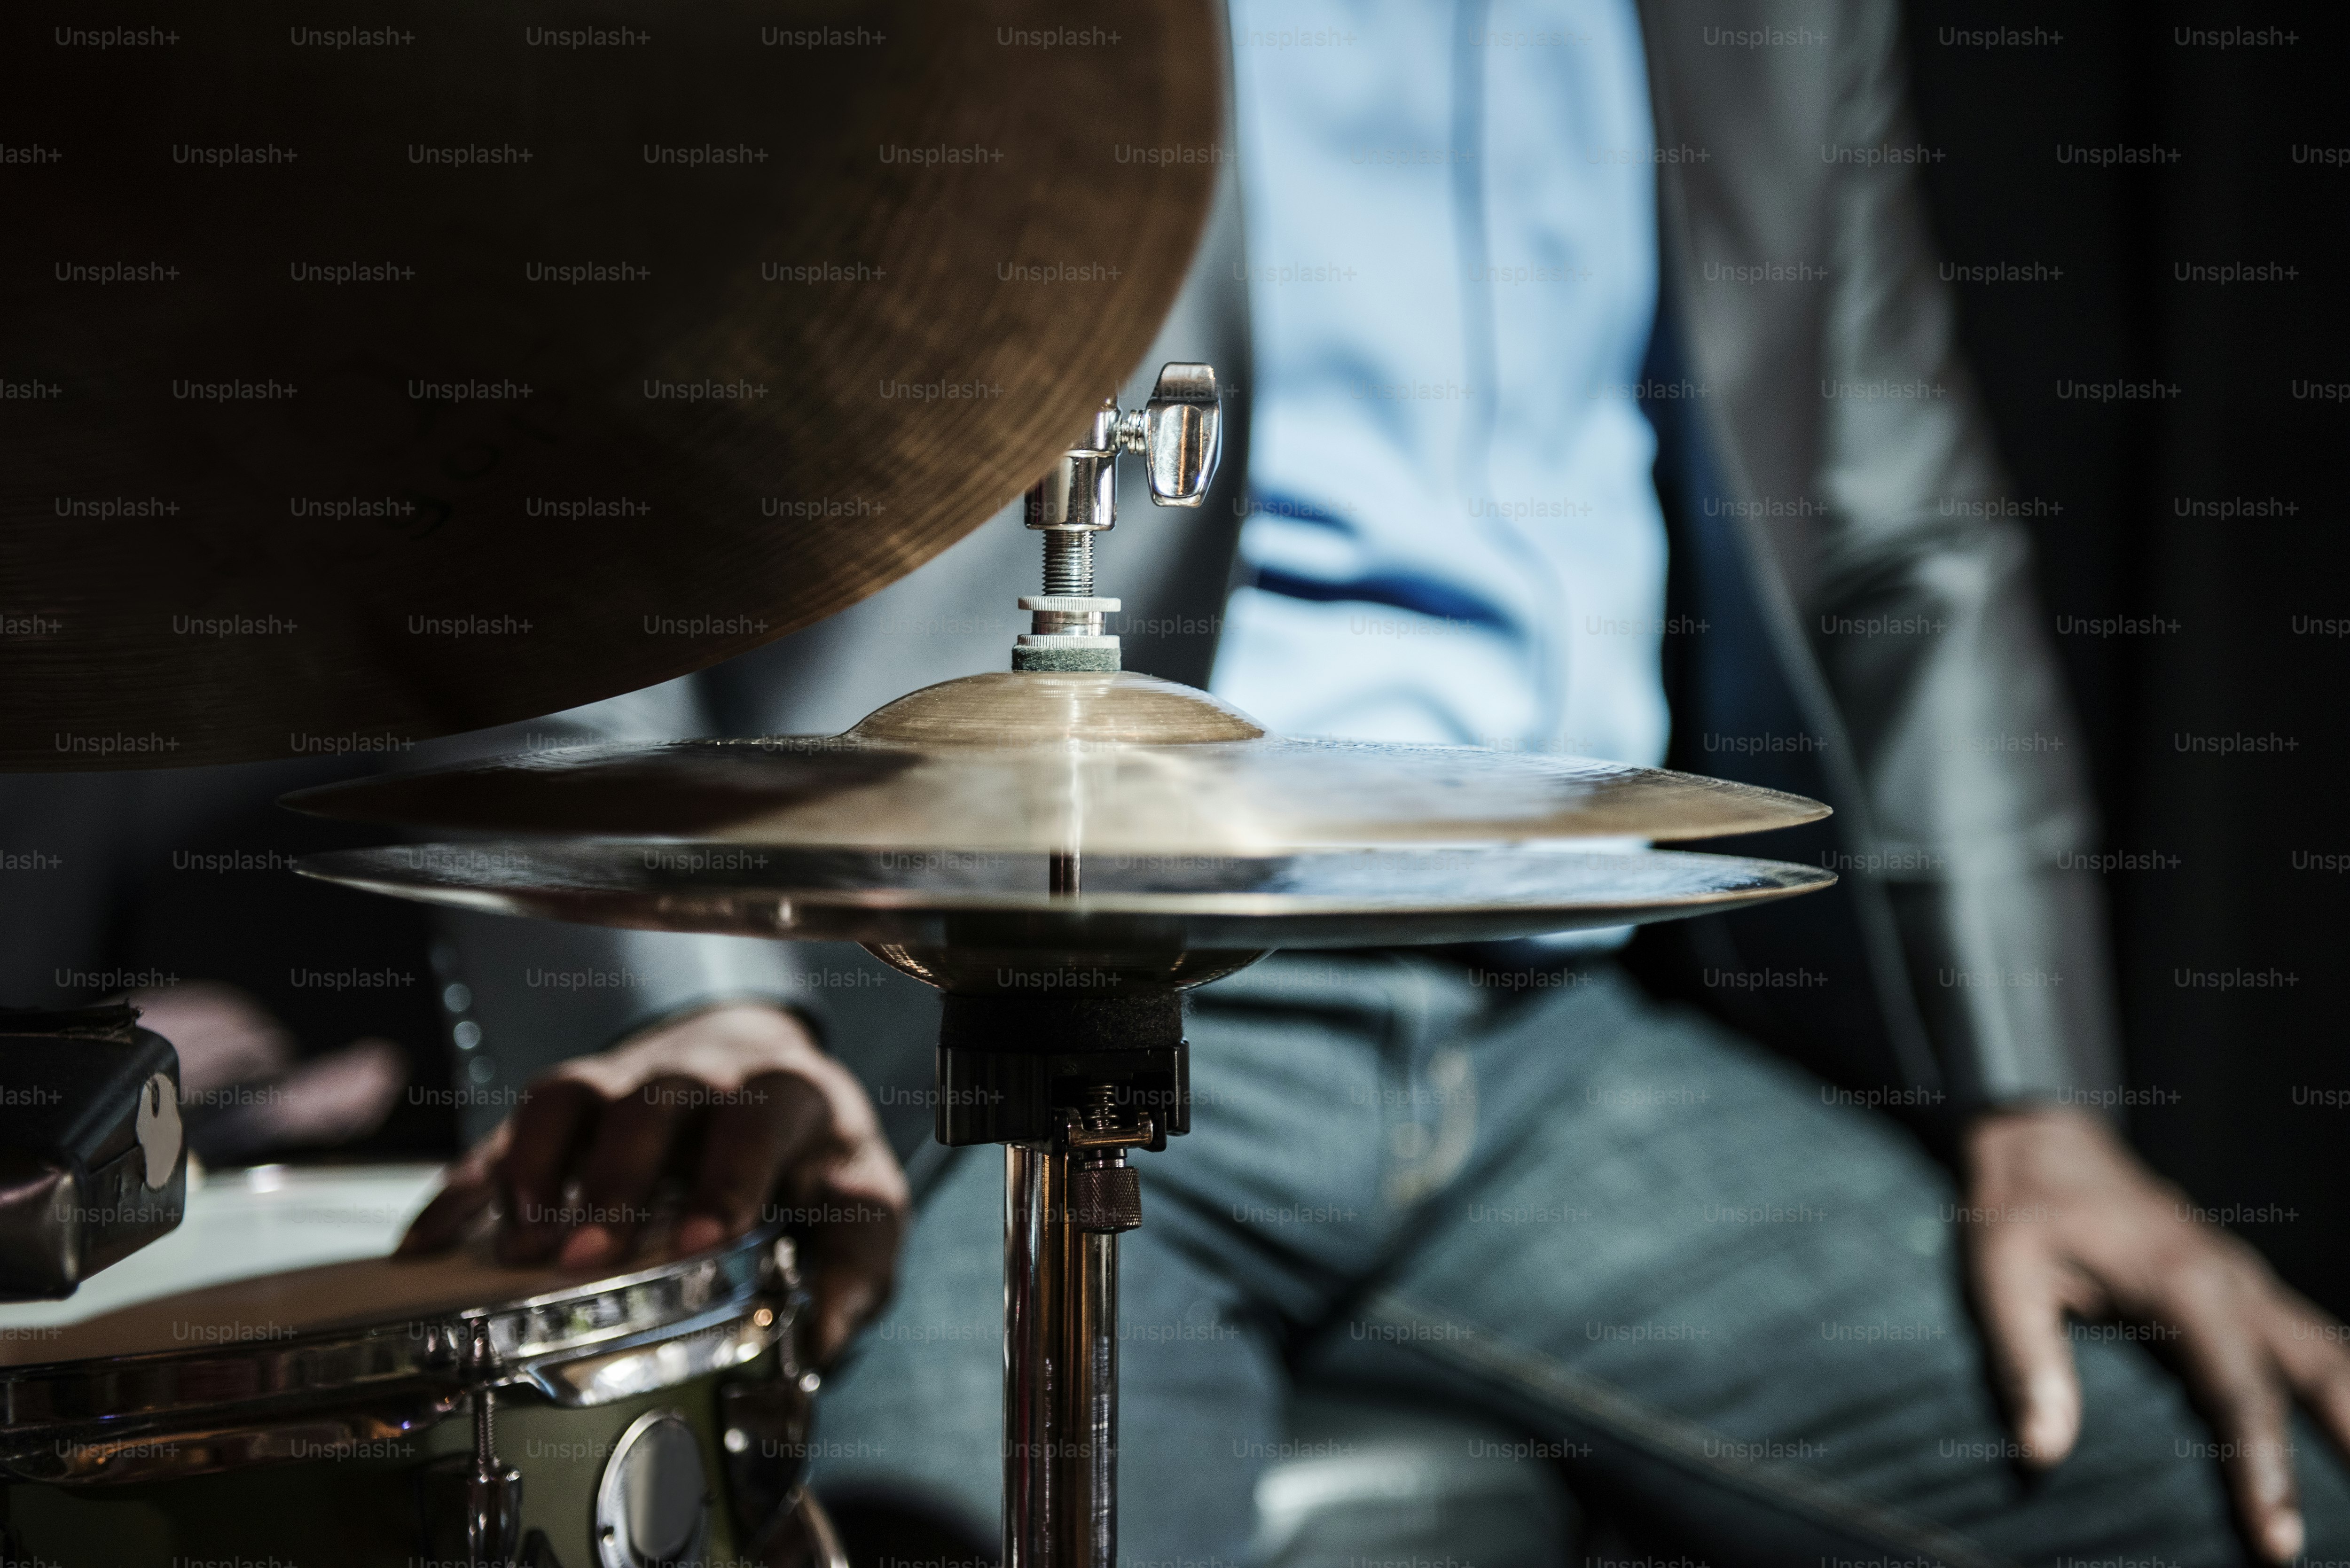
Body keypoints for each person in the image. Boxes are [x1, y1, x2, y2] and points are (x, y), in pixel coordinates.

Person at [394, 1, 2350, 1561]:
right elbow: (551, 458)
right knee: (949, 1537)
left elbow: (1892, 539)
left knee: (2237, 1508)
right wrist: (690, 1003)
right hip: (1010, 1011)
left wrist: (2042, 1110)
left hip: (1558, 1037)